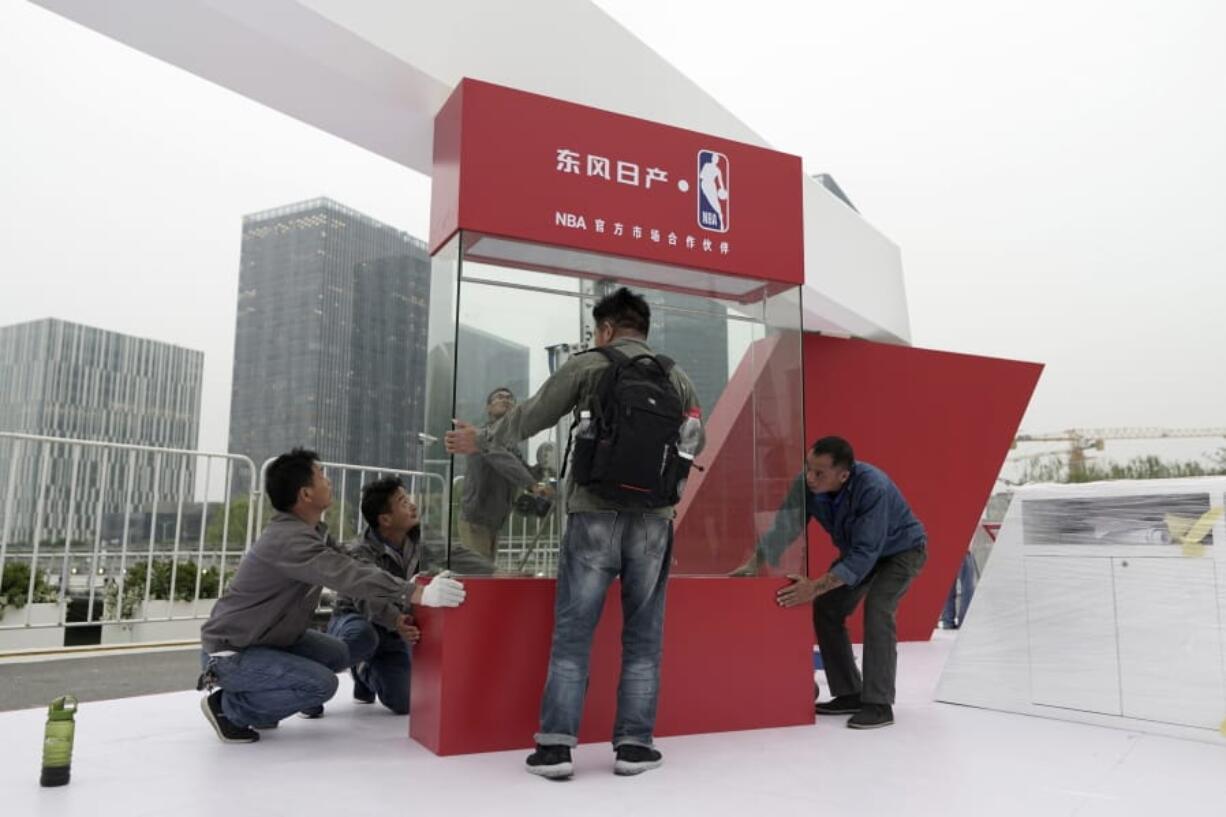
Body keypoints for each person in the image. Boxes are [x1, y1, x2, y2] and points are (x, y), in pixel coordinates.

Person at [445, 287, 701, 779]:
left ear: (604, 329)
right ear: (643, 329)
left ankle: (557, 748)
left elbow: (533, 413)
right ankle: (634, 746)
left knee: (574, 633)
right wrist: (664, 496)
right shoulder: (676, 376)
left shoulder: (588, 365)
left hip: (593, 513)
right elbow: (694, 440)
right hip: (654, 519)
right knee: (644, 637)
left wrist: (484, 438)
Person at [196, 449, 467, 744]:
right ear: (305, 494)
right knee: (321, 685)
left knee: (338, 653)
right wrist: (417, 592)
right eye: (322, 475)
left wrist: (399, 600)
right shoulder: (289, 540)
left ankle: (264, 695)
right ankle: (228, 708)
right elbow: (346, 573)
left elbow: (353, 565)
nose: (330, 482)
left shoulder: (312, 533)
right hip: (231, 652)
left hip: (270, 641)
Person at [745, 436, 926, 730]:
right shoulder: (806, 485)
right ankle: (850, 692)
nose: (810, 478)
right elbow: (786, 526)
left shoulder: (873, 487)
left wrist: (812, 586)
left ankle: (879, 704)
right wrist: (754, 562)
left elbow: (866, 554)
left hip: (901, 552)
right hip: (860, 552)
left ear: (844, 474)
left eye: (819, 473)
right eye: (808, 468)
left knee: (878, 609)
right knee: (828, 607)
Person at [327, 477, 494, 714]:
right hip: (357, 619)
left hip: (395, 629)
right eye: (403, 502)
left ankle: (364, 671)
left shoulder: (418, 540)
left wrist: (495, 571)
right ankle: (326, 672)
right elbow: (367, 598)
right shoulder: (359, 552)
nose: (413, 505)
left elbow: (456, 553)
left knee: (405, 701)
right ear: (385, 519)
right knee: (361, 636)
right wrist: (395, 619)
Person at [457, 387, 552, 562]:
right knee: (480, 576)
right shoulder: (482, 436)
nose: (506, 400)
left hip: (494, 520)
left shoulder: (510, 442)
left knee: (487, 572)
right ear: (488, 408)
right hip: (476, 520)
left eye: (510, 398)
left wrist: (546, 463)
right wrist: (532, 485)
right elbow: (504, 462)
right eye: (499, 397)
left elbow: (521, 469)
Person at [940, 549, 977, 629]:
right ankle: (964, 622)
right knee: (967, 588)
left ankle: (947, 622)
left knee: (948, 588)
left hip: (945, 552)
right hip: (964, 551)